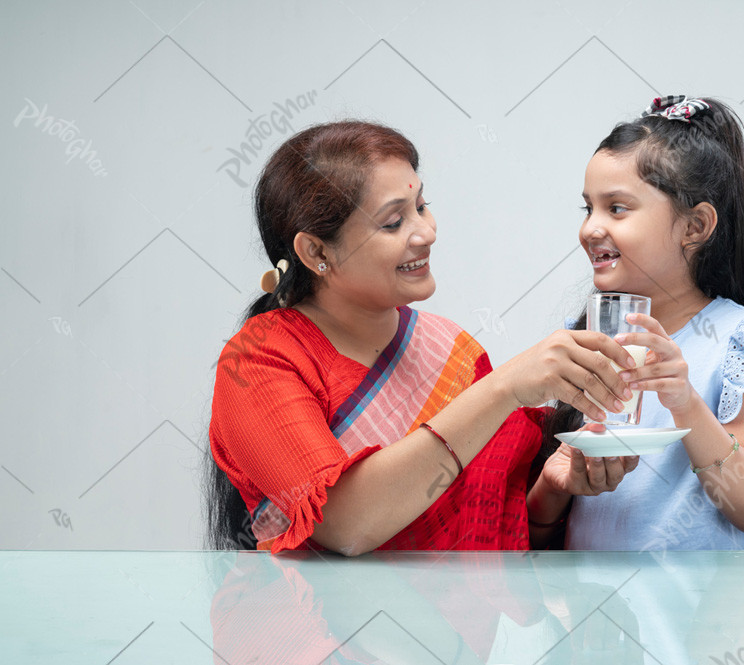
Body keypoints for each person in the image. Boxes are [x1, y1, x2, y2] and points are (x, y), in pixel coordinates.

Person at [206, 121, 640, 555]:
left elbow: (490, 537)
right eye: (394, 222)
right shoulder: (258, 362)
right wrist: (504, 387)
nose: (426, 233)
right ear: (317, 252)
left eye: (422, 206)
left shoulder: (450, 350)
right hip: (326, 622)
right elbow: (347, 525)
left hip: (450, 627)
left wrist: (551, 489)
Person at [539, 96, 744, 549]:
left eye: (617, 208)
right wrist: (554, 486)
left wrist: (684, 400)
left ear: (695, 226)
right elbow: (546, 524)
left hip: (702, 619)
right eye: (588, 208)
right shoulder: (587, 338)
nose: (591, 228)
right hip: (597, 615)